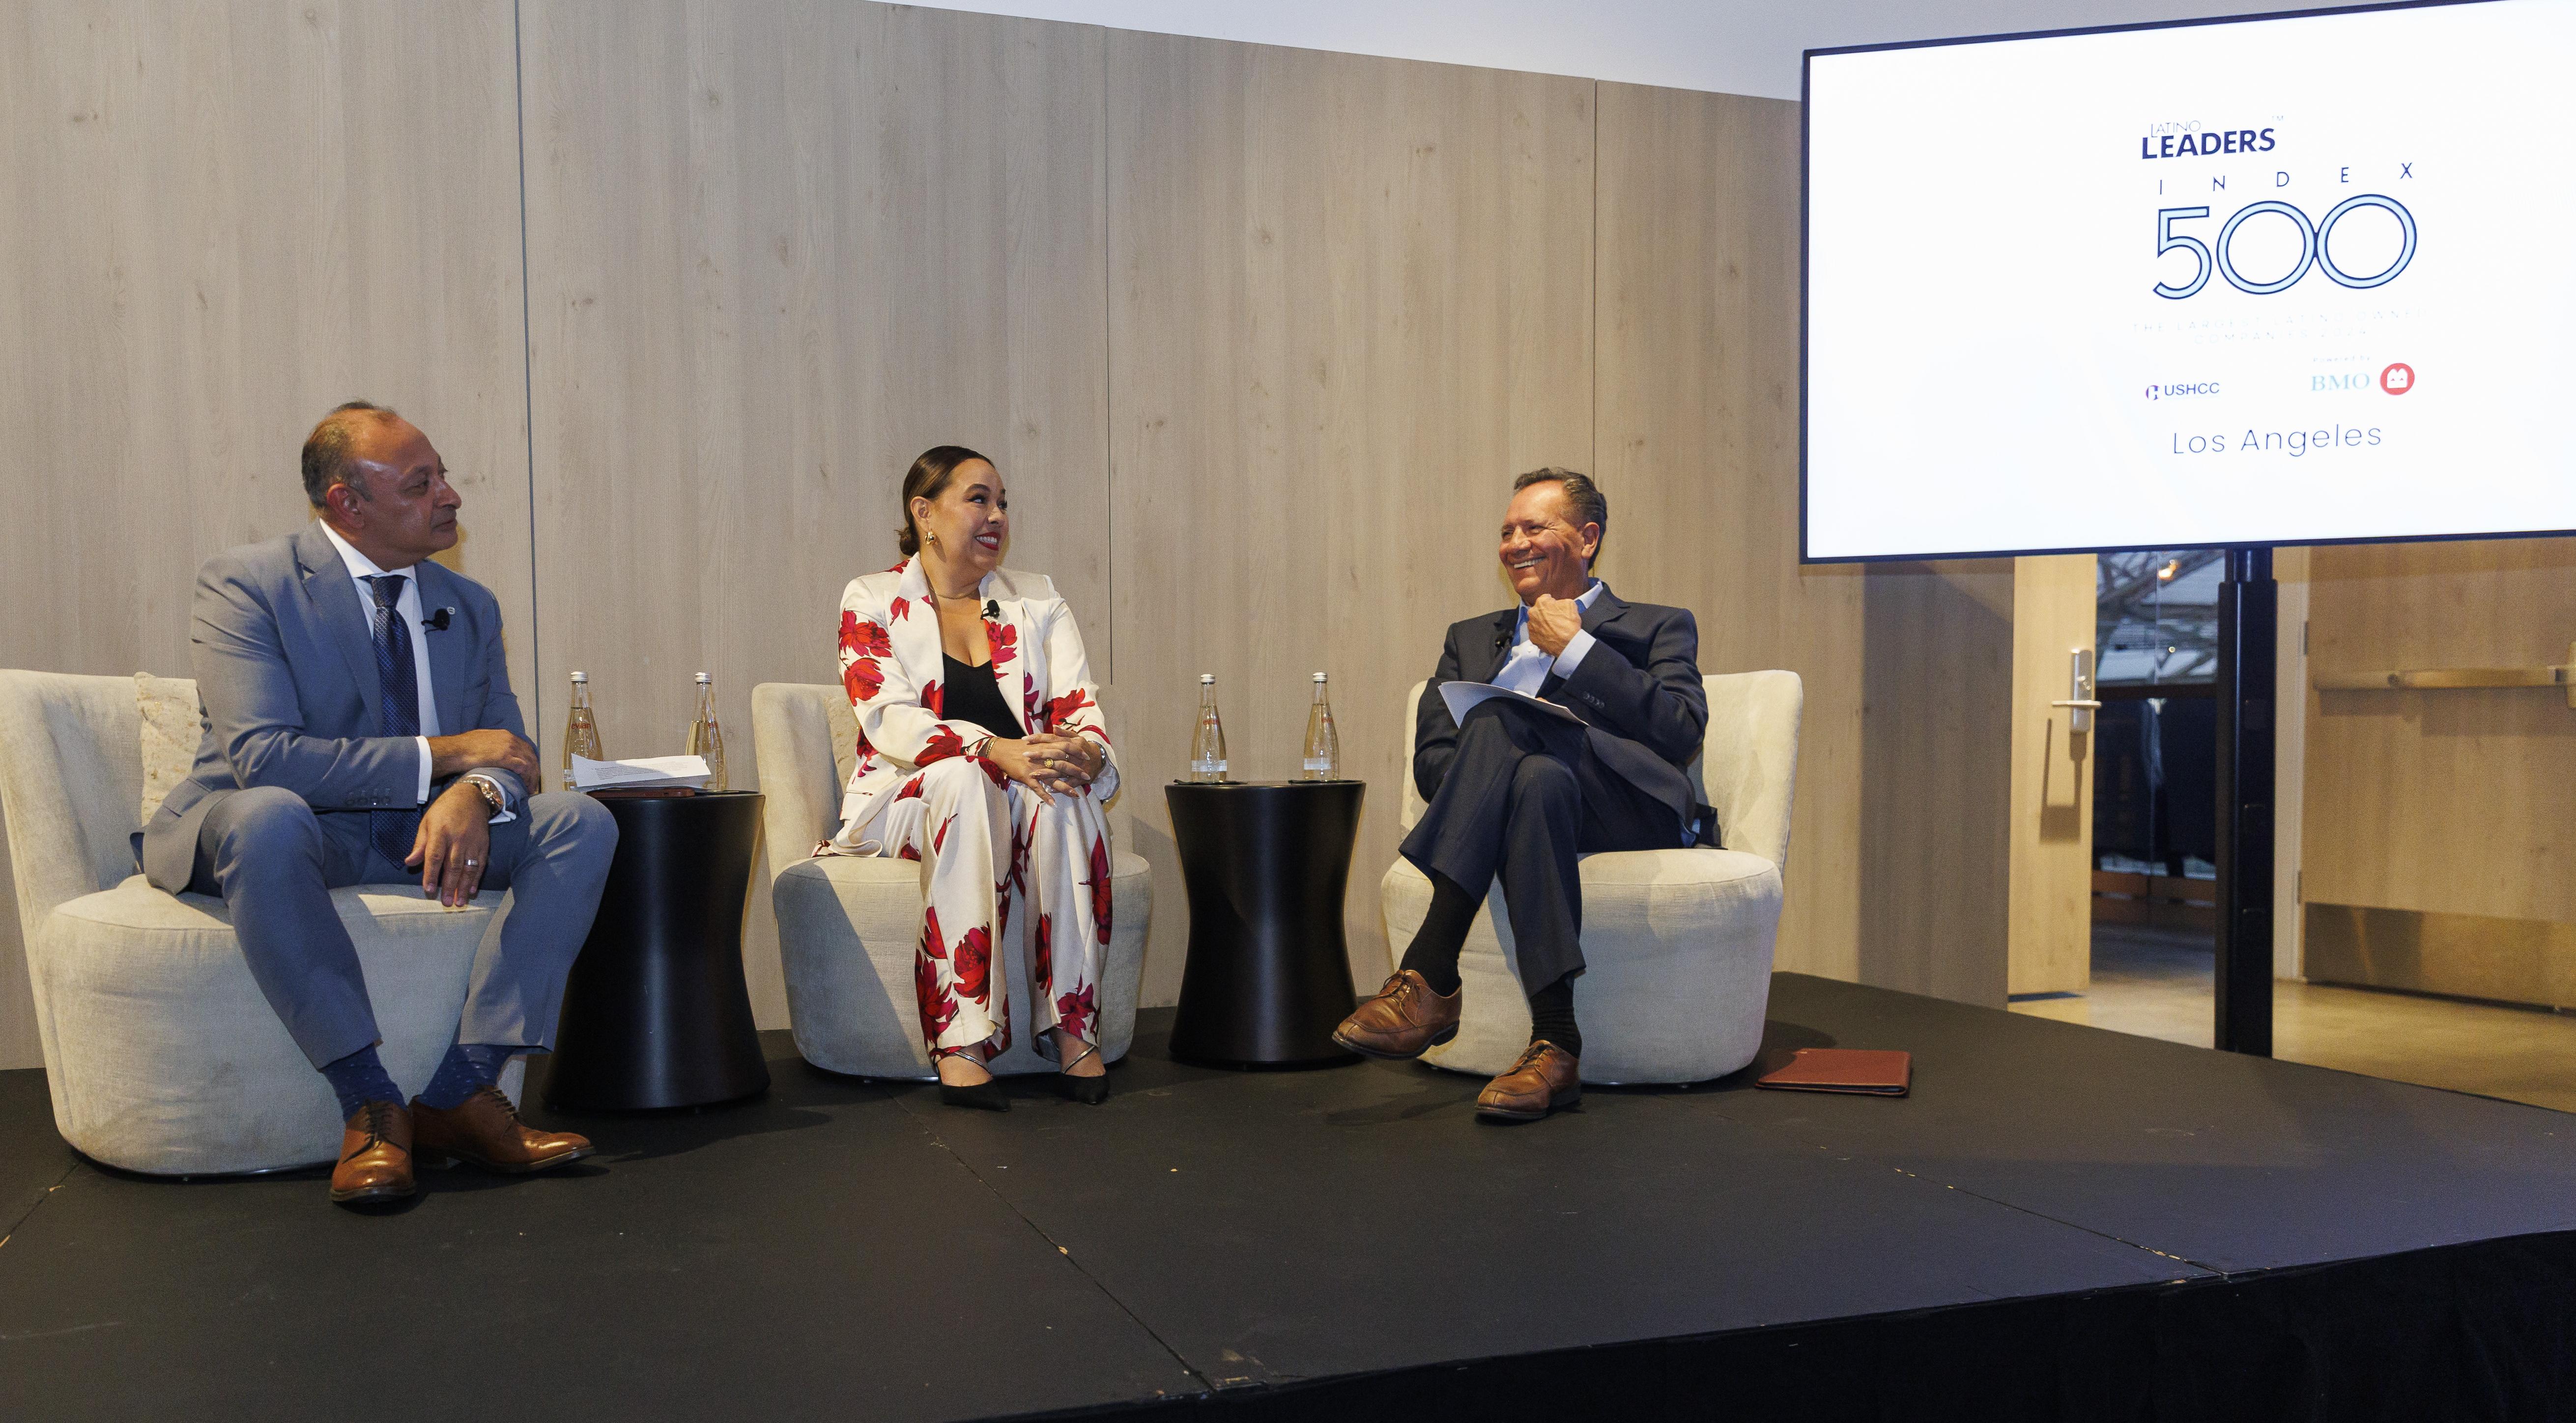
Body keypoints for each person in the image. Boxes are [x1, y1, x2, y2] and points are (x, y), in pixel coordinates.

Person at [142, 401, 618, 1207]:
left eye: (444, 475)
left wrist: (472, 791)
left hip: (417, 831)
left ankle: (463, 1092)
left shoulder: (469, 605)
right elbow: (265, 760)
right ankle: (368, 1101)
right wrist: (446, 758)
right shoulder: (248, 585)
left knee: (581, 822)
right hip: (283, 830)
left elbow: (510, 753)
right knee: (268, 817)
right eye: (420, 483)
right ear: (346, 504)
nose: (451, 496)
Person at [1333, 468, 1713, 1122]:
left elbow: (1680, 733)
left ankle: (1429, 972)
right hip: (1542, 805)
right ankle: (1555, 1044)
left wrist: (1579, 653)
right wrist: (1498, 777)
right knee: (1532, 777)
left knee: (1502, 719)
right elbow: (1433, 763)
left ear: (1587, 537)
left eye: (1533, 527)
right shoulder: (1469, 638)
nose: (1514, 543)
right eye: (1506, 531)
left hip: (1626, 806)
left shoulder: (1655, 626)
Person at [826, 445, 1121, 1110]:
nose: (997, 516)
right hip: (908, 796)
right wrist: (991, 749)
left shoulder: (1036, 599)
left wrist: (1088, 755)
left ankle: (1074, 1027)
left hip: (1020, 793)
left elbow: (1080, 706)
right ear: (924, 512)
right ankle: (959, 1042)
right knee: (966, 781)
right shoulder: (873, 597)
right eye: (979, 499)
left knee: (1062, 795)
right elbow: (887, 719)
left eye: (1003, 502)